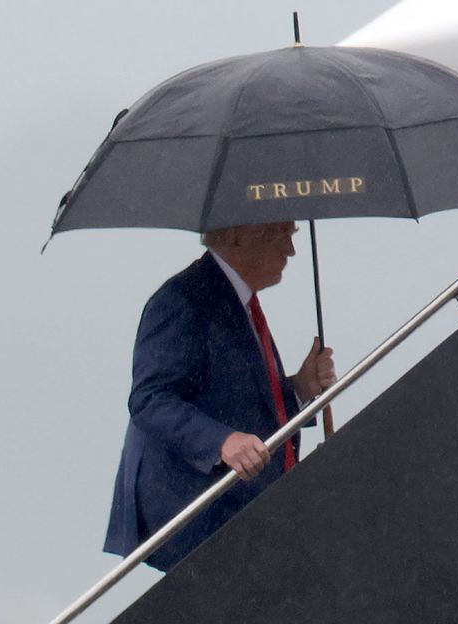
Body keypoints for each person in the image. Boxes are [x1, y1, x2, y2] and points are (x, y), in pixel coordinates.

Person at [103, 221, 336, 571]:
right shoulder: (183, 299)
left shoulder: (237, 301)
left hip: (239, 517)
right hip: (197, 516)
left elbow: (242, 406)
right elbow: (149, 399)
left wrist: (300, 390)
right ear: (238, 236)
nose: (291, 251)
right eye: (282, 235)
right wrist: (221, 442)